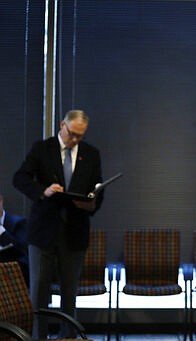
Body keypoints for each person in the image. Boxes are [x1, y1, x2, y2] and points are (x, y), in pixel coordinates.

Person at [13, 109, 104, 338]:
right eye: (72, 134)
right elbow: (20, 178)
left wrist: (91, 203)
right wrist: (43, 191)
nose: (75, 140)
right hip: (43, 231)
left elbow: (98, 189)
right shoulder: (42, 149)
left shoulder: (91, 154)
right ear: (62, 125)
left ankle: (67, 337)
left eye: (80, 136)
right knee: (39, 292)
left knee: (70, 292)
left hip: (75, 230)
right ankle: (38, 337)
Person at [0, 193, 29, 285]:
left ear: (1, 200)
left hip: (13, 276)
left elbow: (23, 253)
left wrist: (1, 232)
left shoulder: (18, 223)